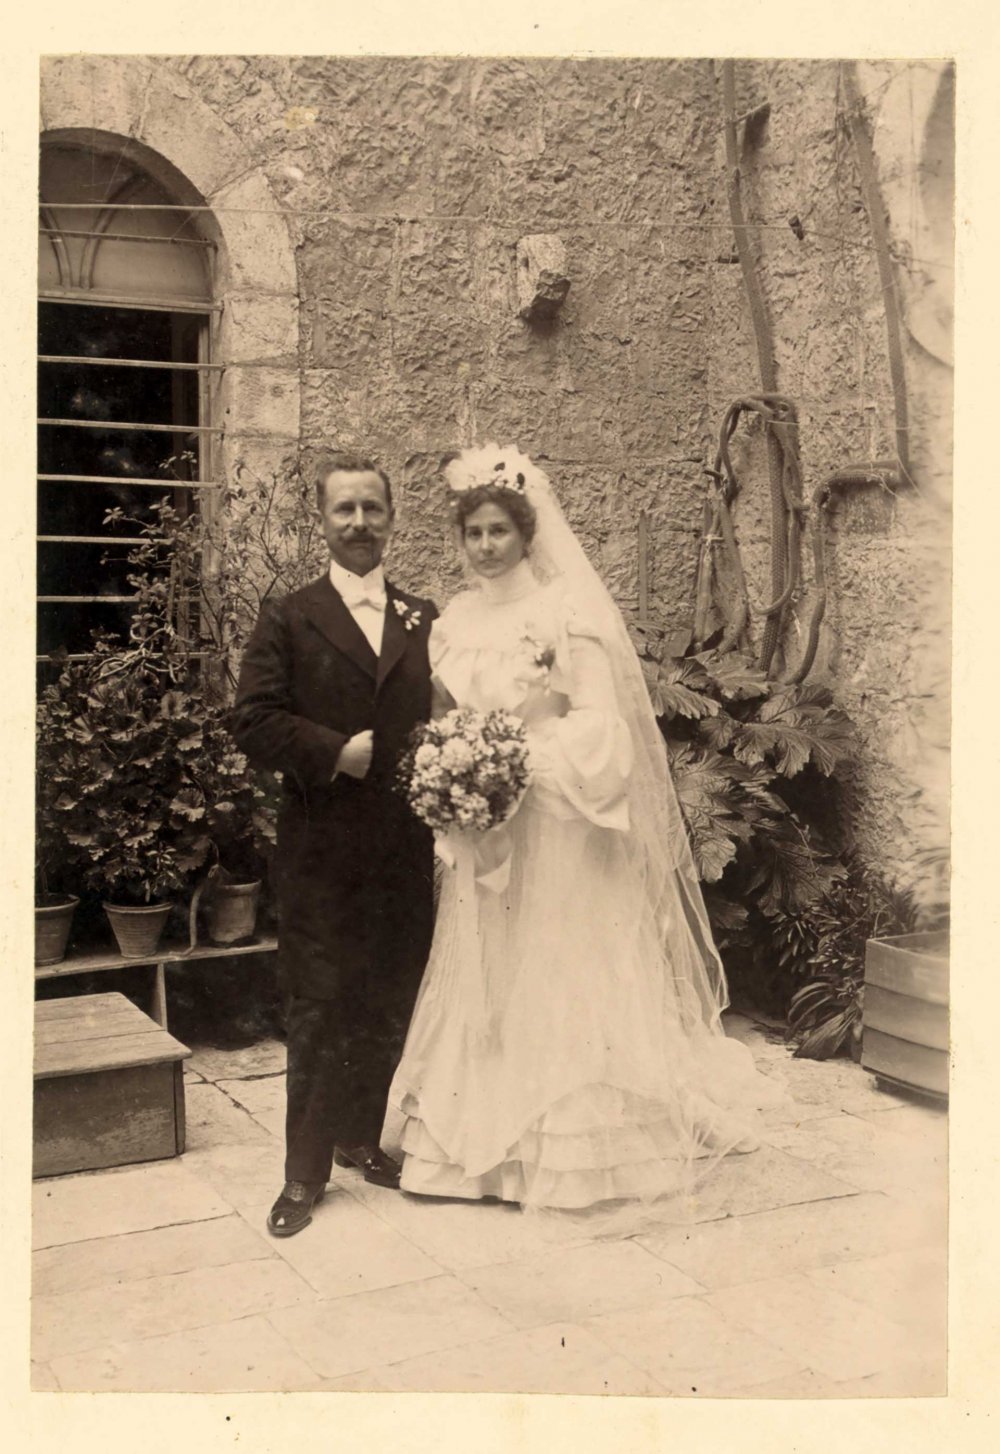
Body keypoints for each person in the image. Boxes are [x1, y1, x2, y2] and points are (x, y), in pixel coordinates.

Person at [381, 445, 782, 1223]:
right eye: (474, 534)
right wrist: (455, 769)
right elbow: (441, 717)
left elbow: (604, 730)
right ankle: (480, 1151)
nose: (487, 546)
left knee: (559, 968)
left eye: (500, 530)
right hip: (486, 829)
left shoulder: (565, 615)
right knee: (490, 973)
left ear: (527, 534)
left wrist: (513, 762)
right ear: (459, 541)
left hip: (559, 826)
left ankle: (576, 1154)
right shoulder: (454, 622)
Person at [231, 451, 437, 1236]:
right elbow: (250, 717)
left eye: (371, 510)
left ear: (391, 519)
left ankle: (360, 1139)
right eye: (344, 510)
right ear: (322, 521)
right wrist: (332, 751)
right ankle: (302, 1175)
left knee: (388, 995)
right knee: (319, 1005)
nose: (359, 524)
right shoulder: (290, 614)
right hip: (320, 849)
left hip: (402, 848)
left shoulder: (423, 617)